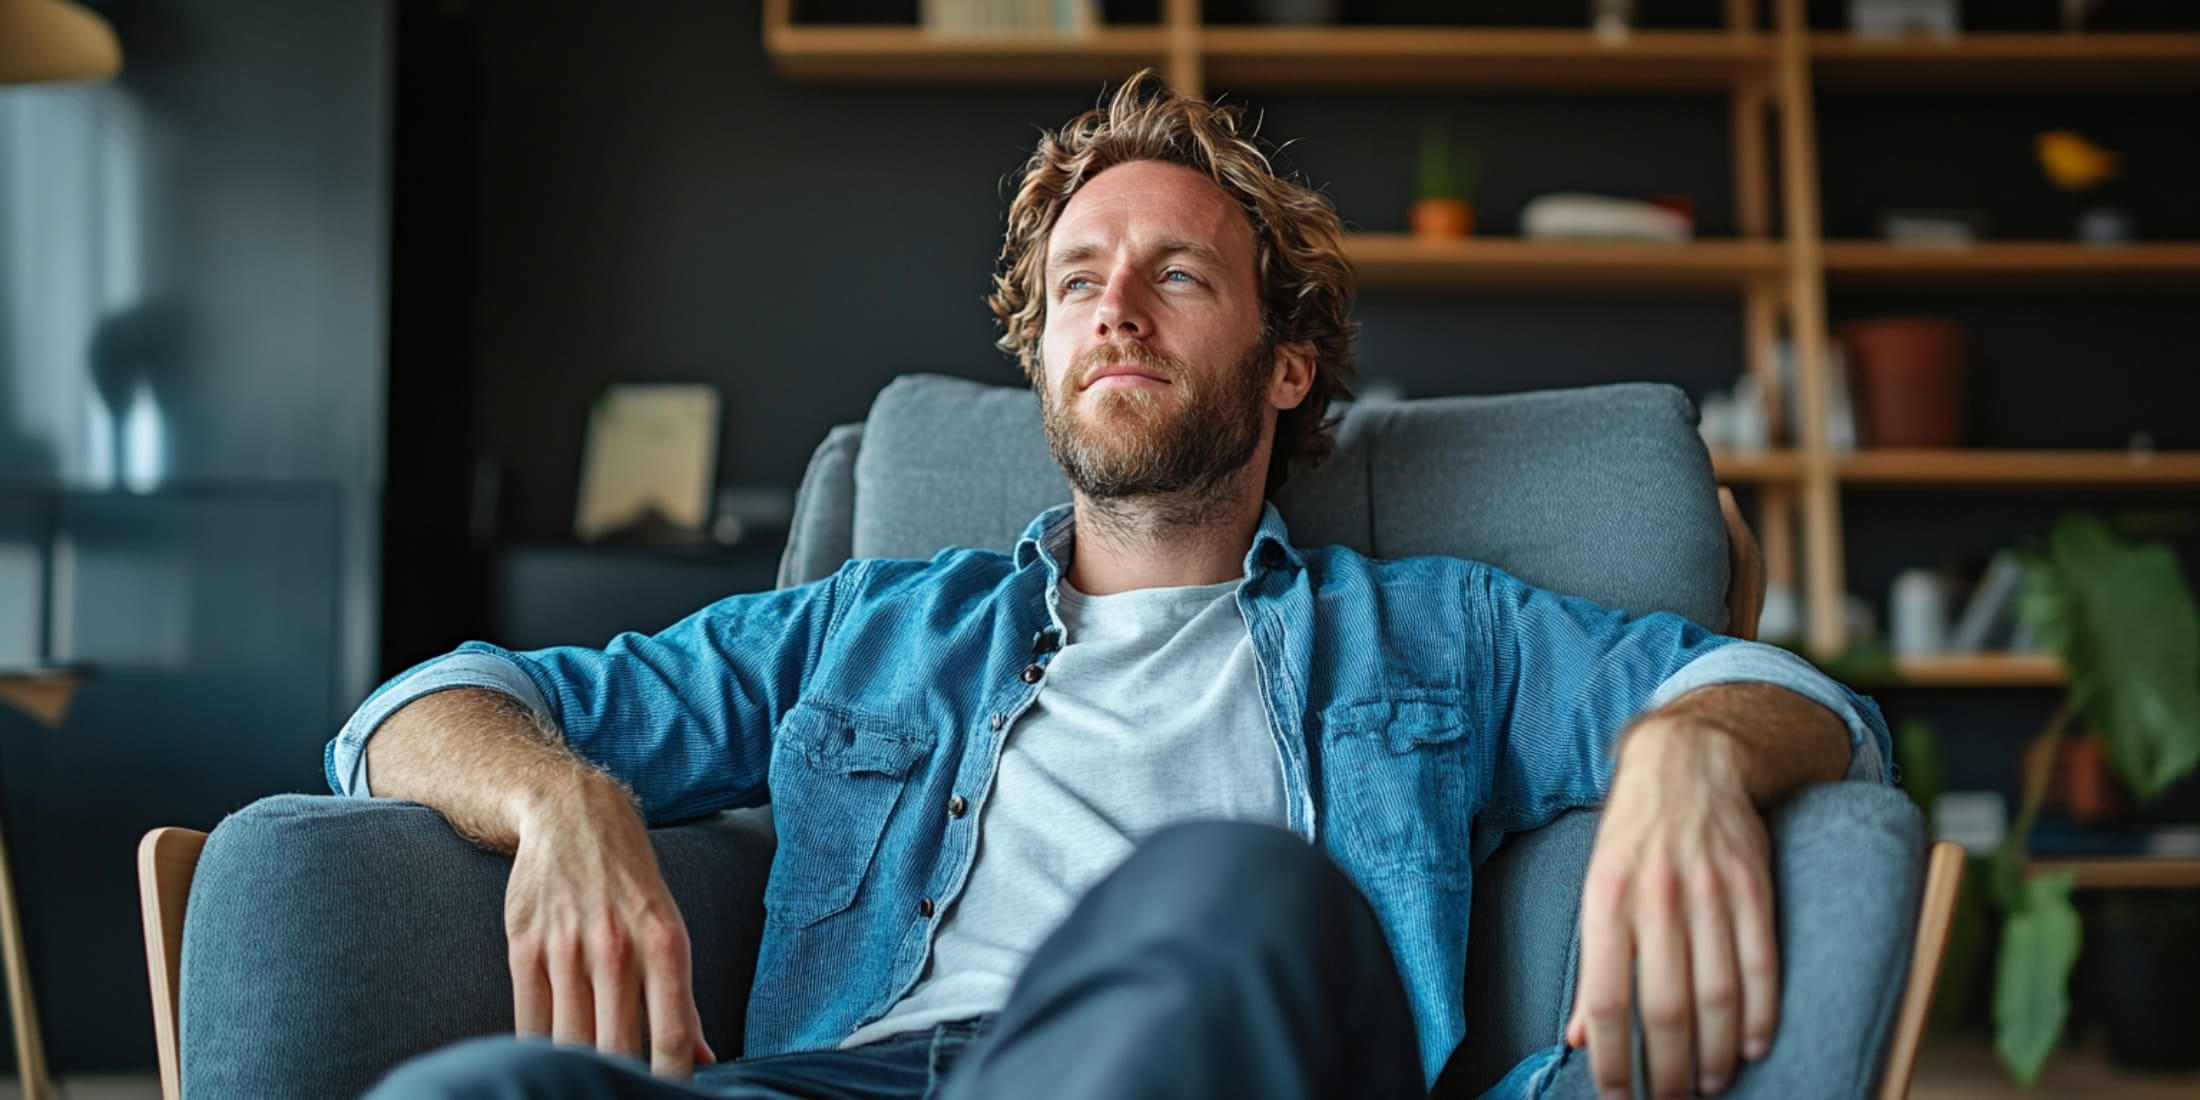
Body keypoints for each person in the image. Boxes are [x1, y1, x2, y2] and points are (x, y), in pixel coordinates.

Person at [335, 71, 1891, 1100]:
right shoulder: (865, 628)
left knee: (1235, 889)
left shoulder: (1436, 631)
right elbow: (418, 713)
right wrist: (560, 800)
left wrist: (1689, 746)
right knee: (482, 1090)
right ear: (1043, 355)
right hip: (859, 1079)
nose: (1115, 312)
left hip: (1215, 1042)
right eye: (1080, 281)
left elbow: (1789, 701)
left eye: (1179, 276)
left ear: (1286, 370)